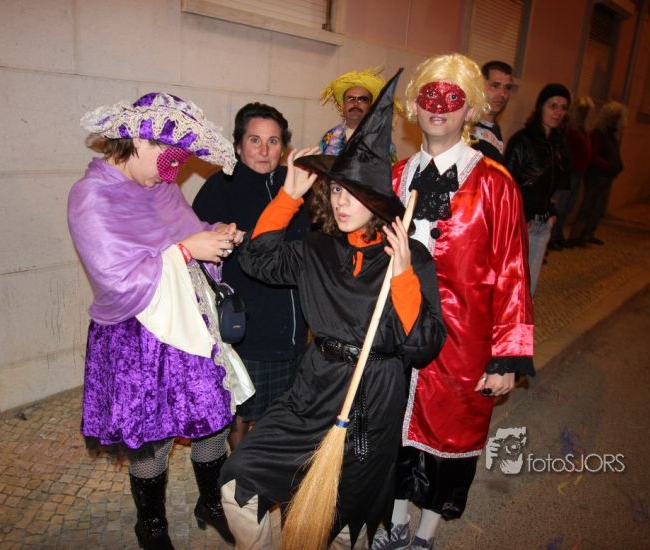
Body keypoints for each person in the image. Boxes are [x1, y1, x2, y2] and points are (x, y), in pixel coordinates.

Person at [219, 71, 446, 549]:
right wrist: (289, 196)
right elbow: (258, 259)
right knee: (240, 481)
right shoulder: (318, 249)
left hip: (371, 398)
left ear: (378, 202)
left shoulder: (410, 258)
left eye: (353, 193)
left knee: (343, 515)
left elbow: (424, 346)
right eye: (337, 189)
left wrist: (404, 277)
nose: (341, 201)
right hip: (313, 385)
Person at [68, 92, 253, 549]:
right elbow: (116, 278)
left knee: (211, 417)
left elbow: (183, 234)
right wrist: (188, 250)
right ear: (138, 140)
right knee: (151, 435)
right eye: (166, 161)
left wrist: (213, 235)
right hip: (137, 335)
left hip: (189, 323)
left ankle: (210, 502)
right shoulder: (90, 195)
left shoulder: (160, 185)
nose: (170, 176)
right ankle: (150, 524)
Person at [374, 53, 534, 550]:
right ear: (414, 108)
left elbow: (513, 272)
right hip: (396, 333)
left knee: (449, 439)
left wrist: (506, 357)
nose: (438, 107)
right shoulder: (395, 178)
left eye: (452, 98)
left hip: (462, 343)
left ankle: (426, 532)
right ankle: (395, 521)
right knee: (392, 432)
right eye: (429, 96)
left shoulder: (495, 184)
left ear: (470, 109)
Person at [193, 102, 309, 450]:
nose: (264, 150)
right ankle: (240, 474)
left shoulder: (297, 186)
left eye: (273, 141)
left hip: (294, 326)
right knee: (240, 412)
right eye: (254, 140)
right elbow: (198, 255)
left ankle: (268, 468)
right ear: (238, 144)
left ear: (283, 147)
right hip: (246, 327)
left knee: (283, 412)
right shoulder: (219, 187)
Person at [504, 83, 571, 295]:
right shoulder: (522, 141)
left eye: (563, 107)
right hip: (522, 223)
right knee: (511, 283)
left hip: (543, 223)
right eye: (553, 106)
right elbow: (506, 185)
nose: (558, 112)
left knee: (529, 287)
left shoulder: (558, 145)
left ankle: (524, 318)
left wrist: (552, 212)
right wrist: (519, 219)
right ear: (541, 107)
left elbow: (556, 184)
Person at [569, 101, 628, 246]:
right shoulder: (599, 134)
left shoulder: (611, 134)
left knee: (597, 207)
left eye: (617, 117)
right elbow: (593, 155)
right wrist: (608, 165)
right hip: (597, 175)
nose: (614, 120)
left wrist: (616, 165)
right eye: (613, 117)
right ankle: (577, 235)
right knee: (588, 205)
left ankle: (587, 233)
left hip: (605, 175)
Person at [319, 65, 397, 162]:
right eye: (351, 99)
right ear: (343, 106)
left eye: (362, 99)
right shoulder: (329, 137)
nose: (356, 104)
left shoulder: (383, 142)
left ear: (371, 107)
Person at [553, 96, 594, 249]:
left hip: (578, 172)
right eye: (582, 110)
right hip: (568, 172)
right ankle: (553, 236)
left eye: (587, 110)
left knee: (568, 206)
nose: (585, 113)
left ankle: (558, 234)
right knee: (561, 205)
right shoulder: (568, 128)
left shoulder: (582, 128)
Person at [471, 60, 514, 163]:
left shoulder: (495, 128)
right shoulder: (466, 125)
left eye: (507, 88)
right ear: (480, 87)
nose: (502, 94)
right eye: (495, 85)